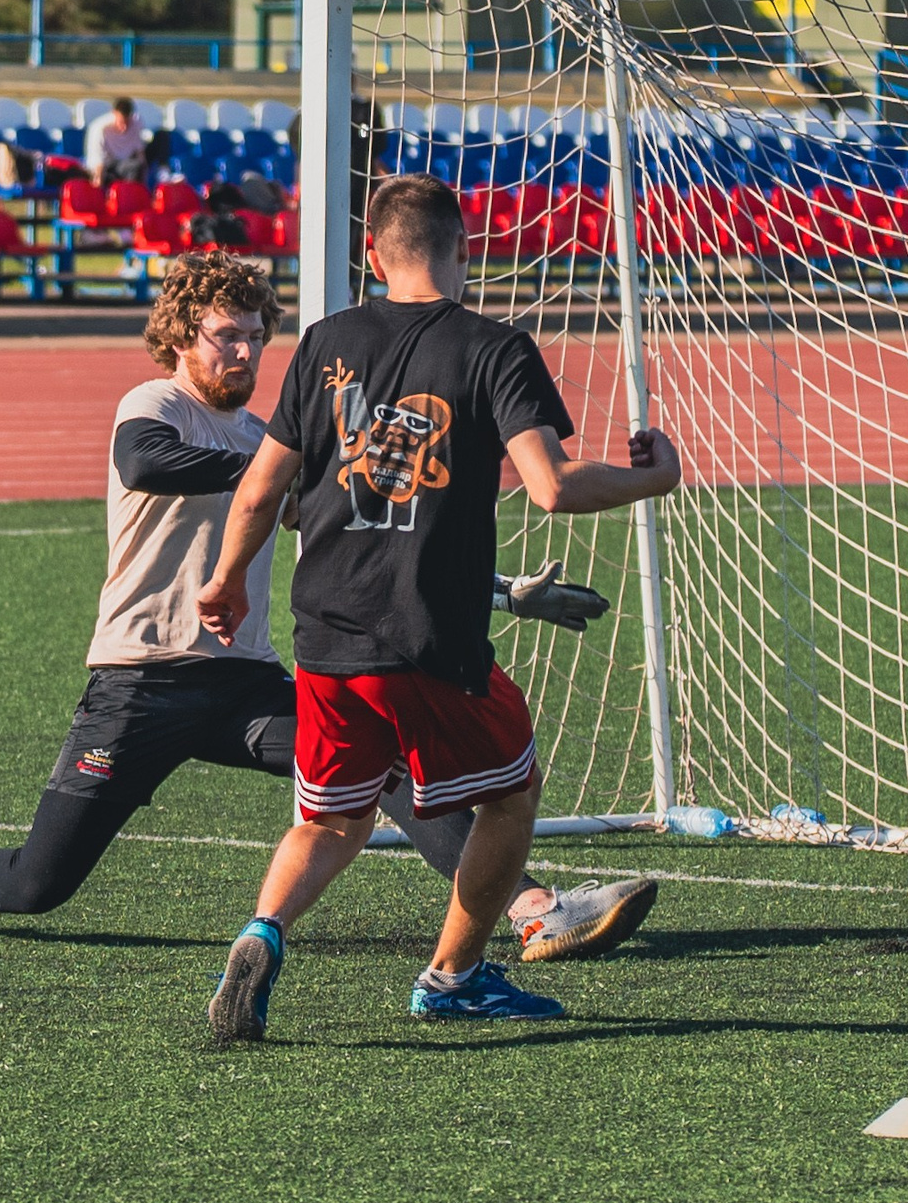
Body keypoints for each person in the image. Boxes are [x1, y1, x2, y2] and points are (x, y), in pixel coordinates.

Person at [0, 249, 661, 960]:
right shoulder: (153, 405)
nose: (244, 354)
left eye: (256, 337)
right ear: (182, 336)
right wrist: (269, 477)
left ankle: (534, 909)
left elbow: (360, 546)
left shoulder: (265, 437)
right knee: (40, 883)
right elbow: (147, 464)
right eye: (225, 337)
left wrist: (503, 592)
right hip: (137, 683)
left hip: (245, 686)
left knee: (393, 776)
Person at [196, 175, 681, 1038]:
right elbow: (552, 488)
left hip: (328, 639)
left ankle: (260, 930)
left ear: (373, 255)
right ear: (464, 251)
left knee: (331, 818)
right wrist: (655, 475)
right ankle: (453, 976)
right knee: (512, 795)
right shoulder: (494, 348)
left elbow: (260, 488)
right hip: (431, 639)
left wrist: (230, 578)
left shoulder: (323, 343)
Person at [85, 97, 149, 187]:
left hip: (127, 161)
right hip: (108, 165)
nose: (124, 127)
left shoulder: (136, 123)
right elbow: (97, 158)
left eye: (127, 122)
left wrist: (144, 173)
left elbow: (139, 152)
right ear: (114, 113)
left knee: (137, 166)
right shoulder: (99, 128)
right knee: (133, 168)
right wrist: (98, 179)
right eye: (121, 122)